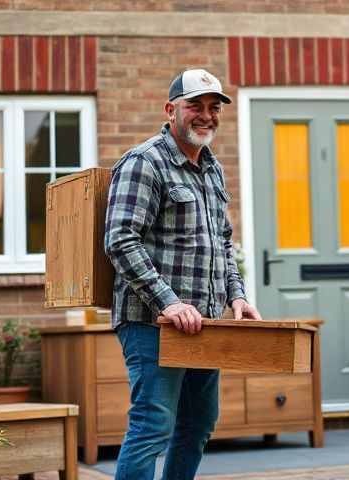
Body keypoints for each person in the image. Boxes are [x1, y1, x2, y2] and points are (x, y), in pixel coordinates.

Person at [104, 68, 262, 480]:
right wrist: (169, 303)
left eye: (214, 107)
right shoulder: (144, 162)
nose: (206, 115)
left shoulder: (213, 170)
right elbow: (121, 240)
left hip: (205, 324)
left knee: (197, 426)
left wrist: (237, 296)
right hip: (151, 322)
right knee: (152, 426)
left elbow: (222, 242)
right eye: (196, 106)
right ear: (171, 109)